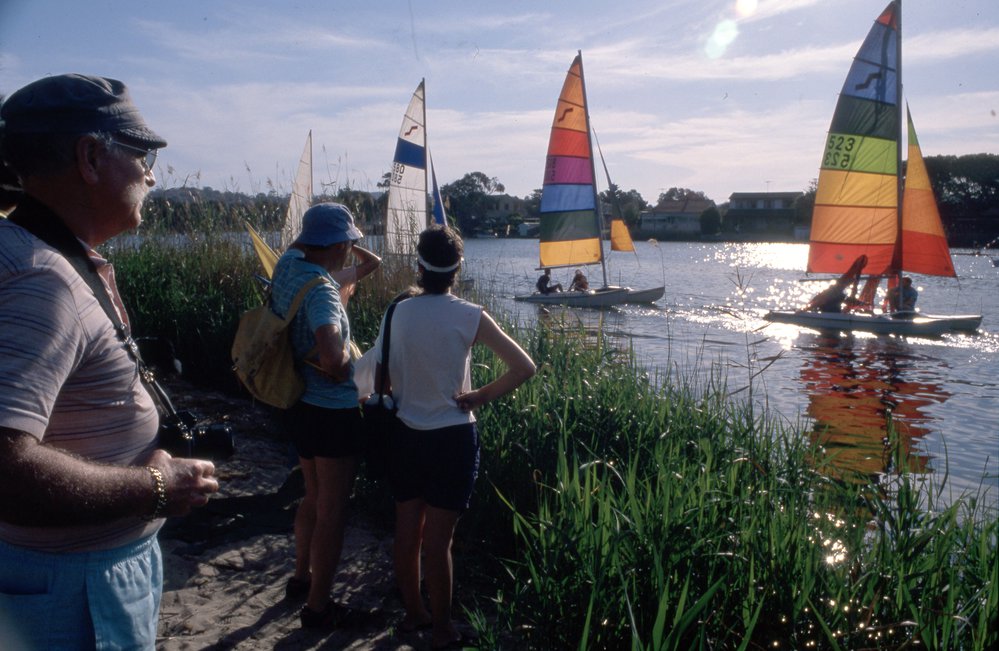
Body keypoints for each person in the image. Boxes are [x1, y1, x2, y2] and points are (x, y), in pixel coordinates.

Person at [0, 74, 219, 649]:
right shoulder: (39, 281)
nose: (151, 174)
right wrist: (153, 487)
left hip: (56, 581)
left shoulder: (32, 253)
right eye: (143, 154)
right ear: (91, 157)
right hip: (73, 594)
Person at [372, 224, 536, 649]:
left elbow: (382, 375)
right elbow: (524, 367)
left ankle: (414, 615)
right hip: (452, 439)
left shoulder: (398, 311)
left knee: (407, 532)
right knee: (438, 541)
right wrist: (479, 395)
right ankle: (443, 628)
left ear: (418, 266)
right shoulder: (470, 315)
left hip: (405, 435)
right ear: (458, 268)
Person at [271, 202, 365, 628]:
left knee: (311, 494)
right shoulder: (324, 290)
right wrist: (354, 364)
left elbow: (299, 243)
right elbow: (333, 359)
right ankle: (319, 607)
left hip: (300, 406)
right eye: (349, 243)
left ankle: (299, 577)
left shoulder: (288, 265)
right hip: (332, 413)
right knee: (332, 510)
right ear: (342, 244)